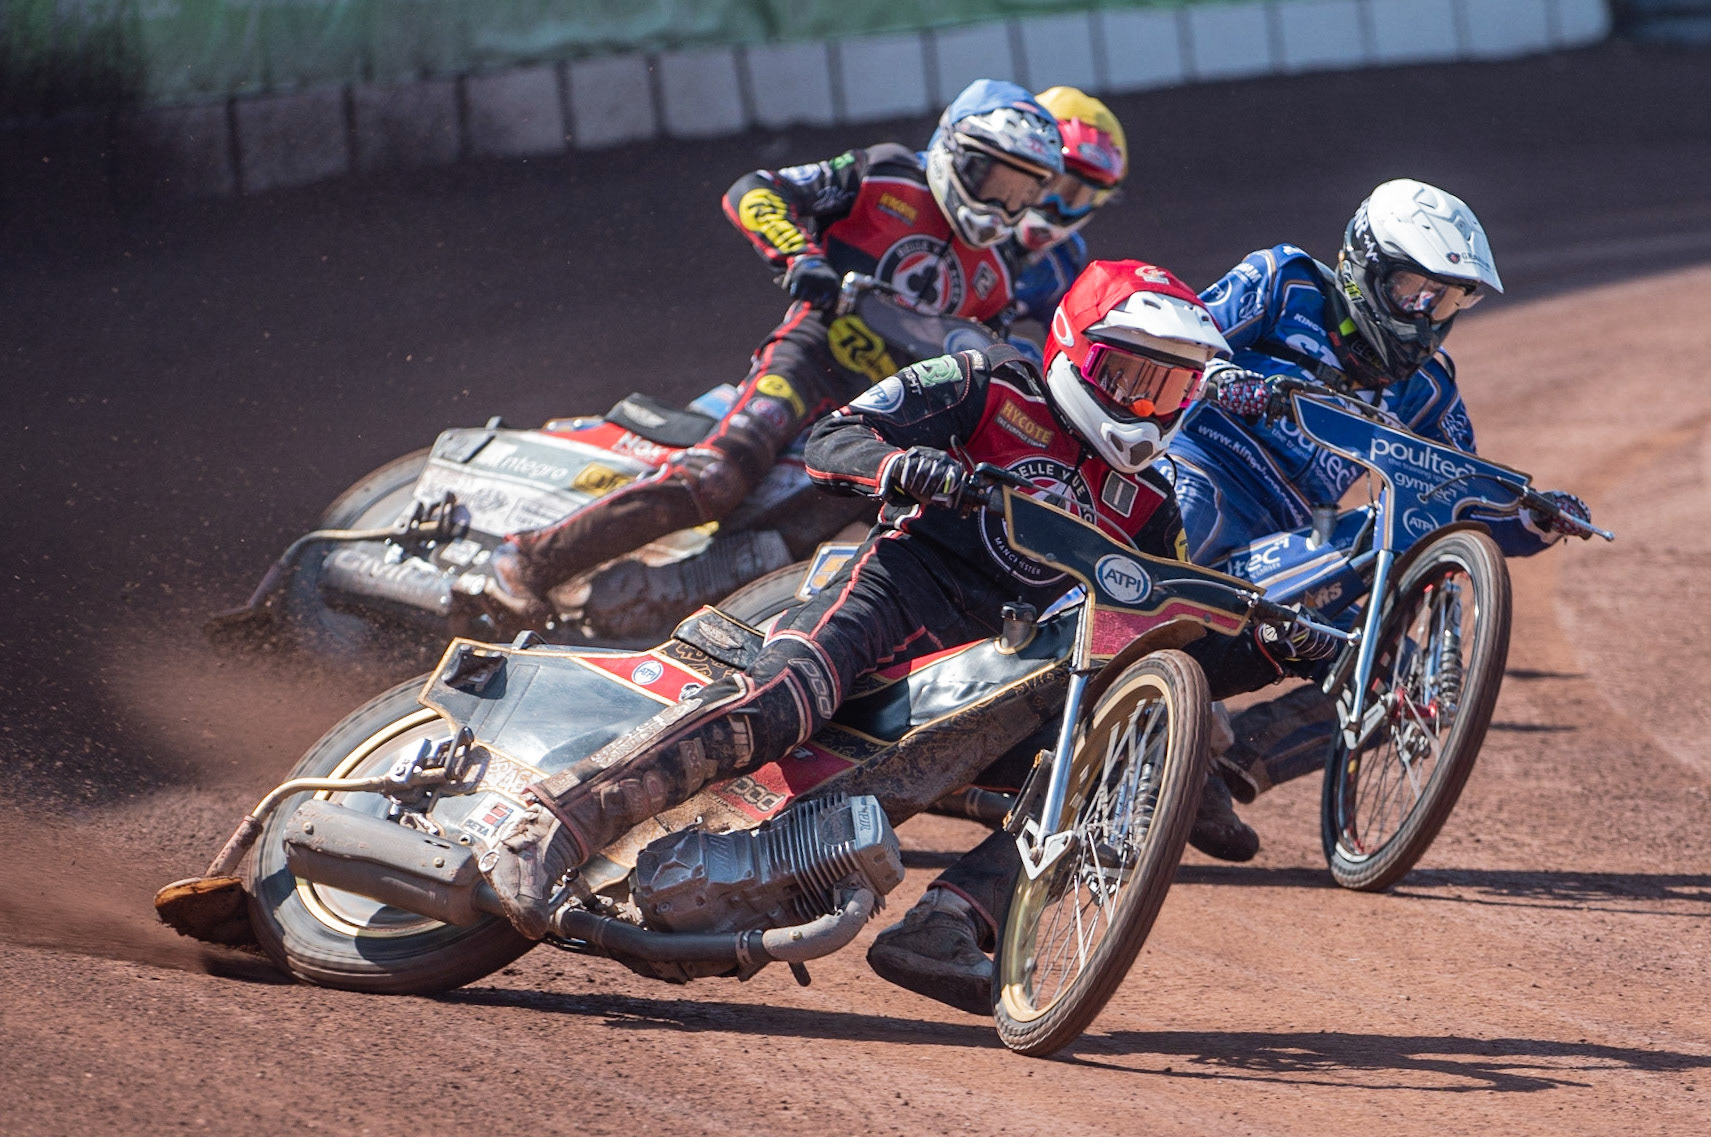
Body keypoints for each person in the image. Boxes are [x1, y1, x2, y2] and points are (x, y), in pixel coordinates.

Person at [476, 261, 1341, 1021]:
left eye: (1169, 389)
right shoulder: (988, 381)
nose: (1145, 406)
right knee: (782, 700)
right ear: (1077, 348)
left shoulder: (1152, 506)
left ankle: (950, 923)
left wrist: (1279, 648)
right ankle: (556, 822)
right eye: (1130, 376)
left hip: (993, 678)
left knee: (1112, 777)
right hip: (894, 590)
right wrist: (901, 465)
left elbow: (1163, 634)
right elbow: (836, 436)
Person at [479, 80, 1068, 620]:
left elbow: (984, 363)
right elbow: (757, 189)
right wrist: (800, 256)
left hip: (883, 411)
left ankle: (639, 608)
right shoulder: (887, 174)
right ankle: (526, 561)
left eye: (1022, 193)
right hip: (809, 359)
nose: (1003, 205)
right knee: (715, 478)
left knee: (804, 538)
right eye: (995, 181)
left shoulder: (998, 272)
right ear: (954, 150)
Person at [1157, 178, 1595, 859]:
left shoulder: (1428, 389)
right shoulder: (1282, 282)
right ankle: (1152, 735)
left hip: (1293, 534)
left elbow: (1458, 502)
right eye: (1413, 291)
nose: (1425, 315)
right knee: (1196, 517)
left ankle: (1215, 763)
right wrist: (1217, 377)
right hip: (1196, 473)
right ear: (1365, 265)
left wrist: (1535, 521)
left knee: (1407, 674)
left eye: (1445, 301)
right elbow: (1173, 338)